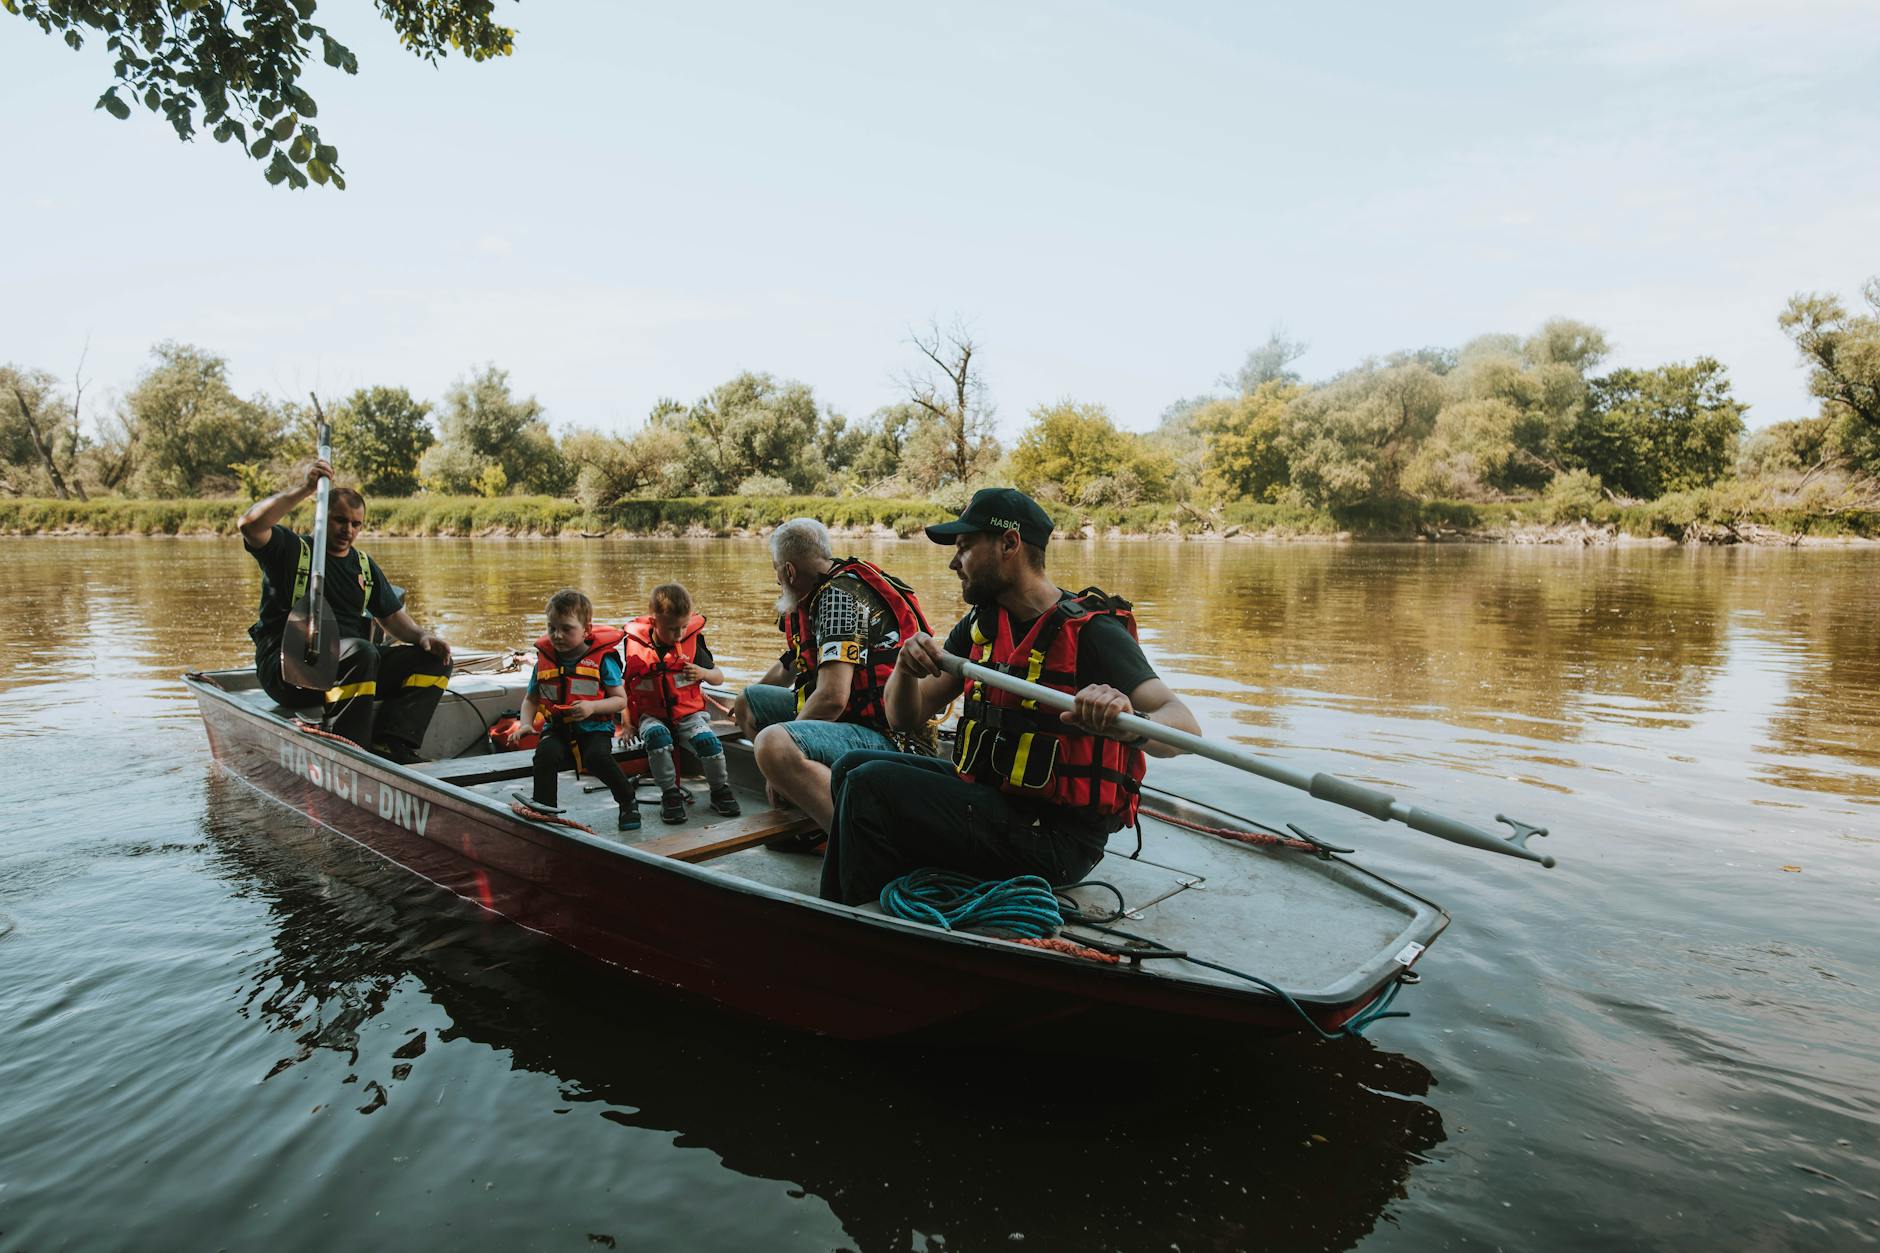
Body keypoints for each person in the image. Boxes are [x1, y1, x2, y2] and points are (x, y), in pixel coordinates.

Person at [820, 488, 1201, 906]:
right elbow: (902, 718)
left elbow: (1184, 728)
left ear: (1009, 543)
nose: (953, 563)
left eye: (964, 547)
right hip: (995, 803)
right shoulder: (982, 625)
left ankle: (855, 920)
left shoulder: (1094, 633)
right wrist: (905, 671)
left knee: (869, 787)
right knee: (850, 767)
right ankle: (898, 890)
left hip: (1053, 838)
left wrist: (1127, 720)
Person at [731, 517, 934, 838]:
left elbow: (832, 698)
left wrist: (775, 763)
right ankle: (811, 799)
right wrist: (739, 707)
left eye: (776, 569)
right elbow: (791, 665)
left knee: (774, 746)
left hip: (891, 739)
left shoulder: (836, 599)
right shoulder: (823, 588)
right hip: (855, 721)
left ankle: (853, 843)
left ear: (789, 571)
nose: (777, 578)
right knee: (748, 703)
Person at [240, 457, 452, 761]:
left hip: (351, 666)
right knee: (362, 652)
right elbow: (250, 525)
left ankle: (392, 743)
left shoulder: (363, 565)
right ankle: (350, 749)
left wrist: (422, 636)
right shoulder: (290, 549)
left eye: (356, 524)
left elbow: (392, 616)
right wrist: (305, 488)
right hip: (289, 671)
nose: (348, 530)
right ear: (321, 516)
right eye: (340, 520)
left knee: (435, 659)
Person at [507, 588, 642, 830]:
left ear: (586, 630)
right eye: (552, 628)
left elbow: (620, 700)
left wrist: (592, 707)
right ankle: (544, 808)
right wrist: (525, 724)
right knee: (545, 754)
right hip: (558, 727)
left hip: (595, 728)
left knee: (596, 757)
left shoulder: (602, 661)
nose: (557, 635)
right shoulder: (544, 661)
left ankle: (627, 800)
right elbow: (531, 699)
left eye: (566, 629)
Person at [623, 582, 741, 824]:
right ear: (654, 622)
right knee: (656, 737)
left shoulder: (692, 643)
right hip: (651, 716)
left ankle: (719, 790)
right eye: (672, 629)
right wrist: (627, 724)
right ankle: (670, 795)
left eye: (683, 627)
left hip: (690, 715)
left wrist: (702, 673)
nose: (679, 634)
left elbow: (718, 677)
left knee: (708, 742)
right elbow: (624, 688)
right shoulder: (635, 646)